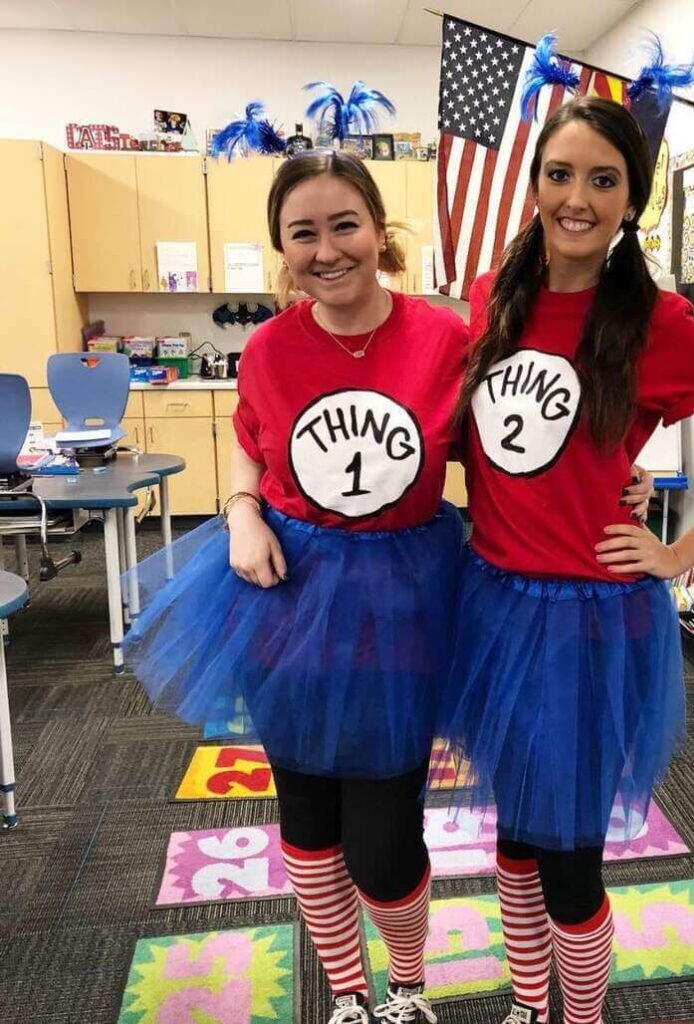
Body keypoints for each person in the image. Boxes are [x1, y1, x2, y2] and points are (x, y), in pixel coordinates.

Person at [438, 97, 694, 1024]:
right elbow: (487, 440)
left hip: (590, 619)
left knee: (568, 857)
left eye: (605, 180)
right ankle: (531, 1004)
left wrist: (678, 549)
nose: (579, 197)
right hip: (491, 602)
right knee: (515, 840)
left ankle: (583, 1014)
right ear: (532, 186)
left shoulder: (658, 321)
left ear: (631, 201)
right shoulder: (491, 299)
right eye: (561, 173)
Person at [124, 151, 467, 1024]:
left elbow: (499, 451)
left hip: (402, 601)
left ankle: (409, 983)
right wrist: (241, 507)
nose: (327, 250)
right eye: (302, 233)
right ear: (281, 246)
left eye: (343, 225)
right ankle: (351, 993)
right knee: (309, 818)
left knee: (386, 839)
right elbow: (252, 435)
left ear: (379, 233)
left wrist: (611, 479)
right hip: (289, 594)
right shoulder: (273, 345)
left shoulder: (444, 340)